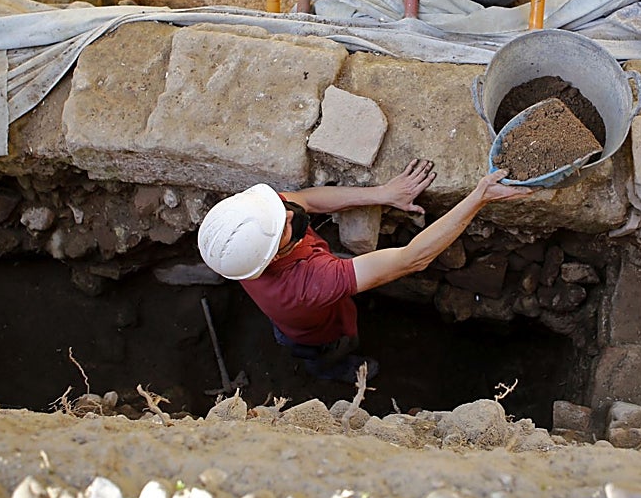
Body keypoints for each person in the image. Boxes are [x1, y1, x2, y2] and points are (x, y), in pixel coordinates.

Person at [198, 159, 531, 383]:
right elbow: (413, 258)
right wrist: (478, 198)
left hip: (289, 319)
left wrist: (383, 194)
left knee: (289, 331)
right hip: (317, 336)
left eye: (280, 211)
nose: (288, 215)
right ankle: (339, 371)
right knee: (326, 354)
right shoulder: (308, 284)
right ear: (271, 257)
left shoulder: (250, 230)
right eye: (283, 228)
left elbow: (306, 201)